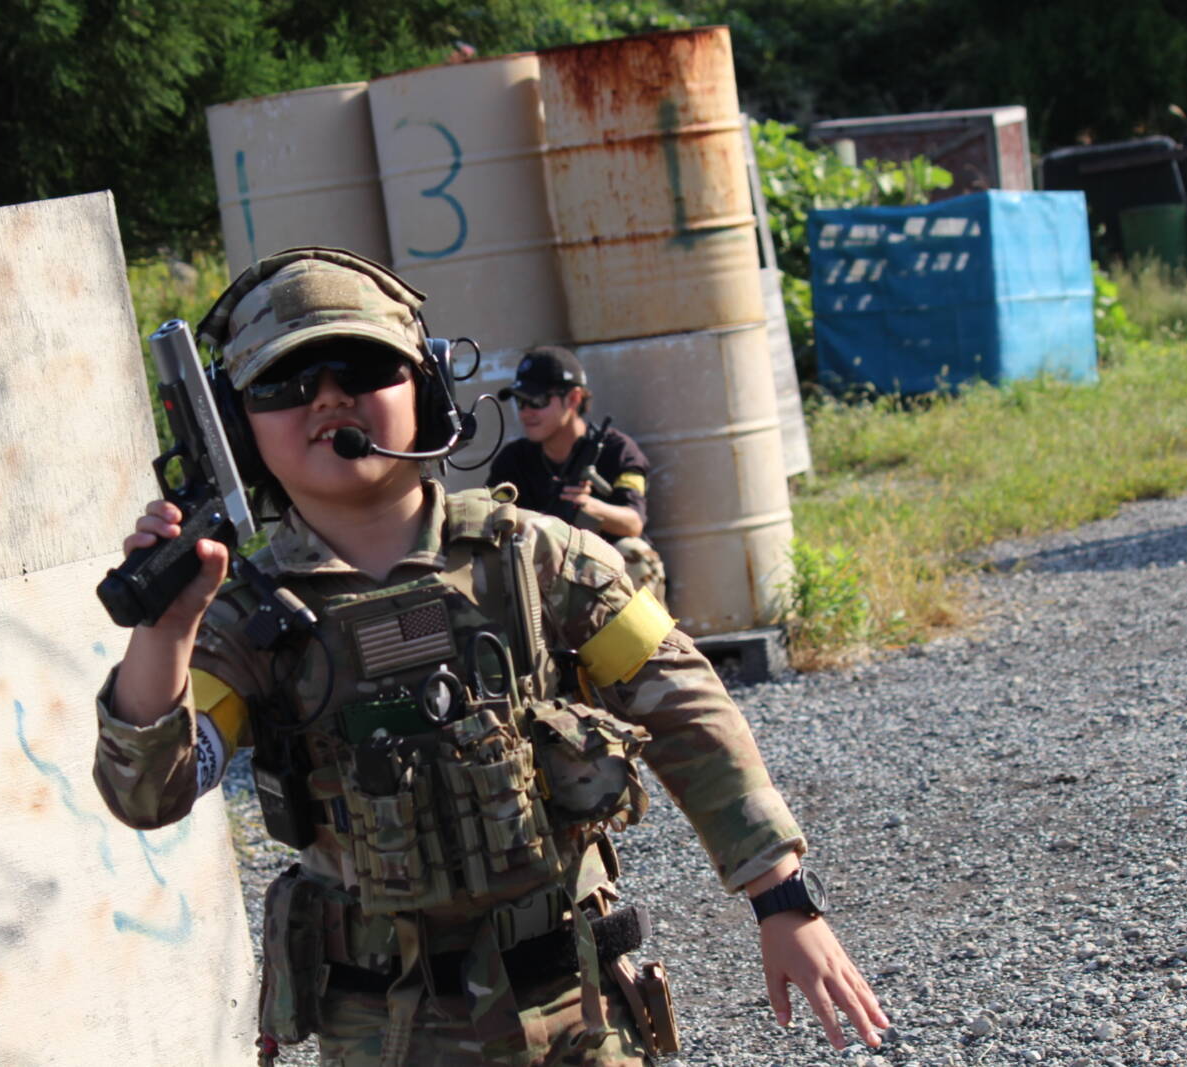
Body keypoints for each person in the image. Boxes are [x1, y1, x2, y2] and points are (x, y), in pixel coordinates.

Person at [92, 248, 887, 1066]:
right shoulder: (240, 620)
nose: (328, 397)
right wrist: (166, 629)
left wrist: (782, 897)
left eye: (362, 366)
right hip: (387, 1035)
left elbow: (685, 707)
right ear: (236, 428)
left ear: (428, 389)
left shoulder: (540, 561)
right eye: (283, 383)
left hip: (576, 1008)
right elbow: (148, 792)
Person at [486, 347, 666, 606]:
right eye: (520, 402)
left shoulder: (617, 451)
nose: (526, 412)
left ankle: (643, 632)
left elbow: (633, 523)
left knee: (635, 553)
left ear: (573, 399)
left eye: (537, 401)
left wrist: (589, 507)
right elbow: (489, 521)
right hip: (543, 578)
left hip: (607, 581)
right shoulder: (513, 460)